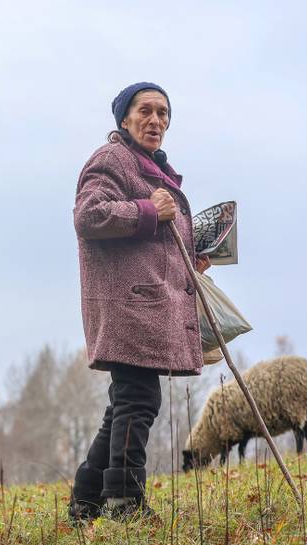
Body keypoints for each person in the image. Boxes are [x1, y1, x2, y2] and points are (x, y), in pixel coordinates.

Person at [69, 82, 209, 522]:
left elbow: (151, 243)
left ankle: (85, 501)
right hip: (128, 304)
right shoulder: (111, 159)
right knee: (138, 399)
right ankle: (125, 502)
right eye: (145, 111)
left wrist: (192, 261)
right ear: (124, 119)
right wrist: (149, 210)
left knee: (126, 402)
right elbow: (89, 216)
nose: (156, 121)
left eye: (163, 113)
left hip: (144, 302)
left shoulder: (149, 167)